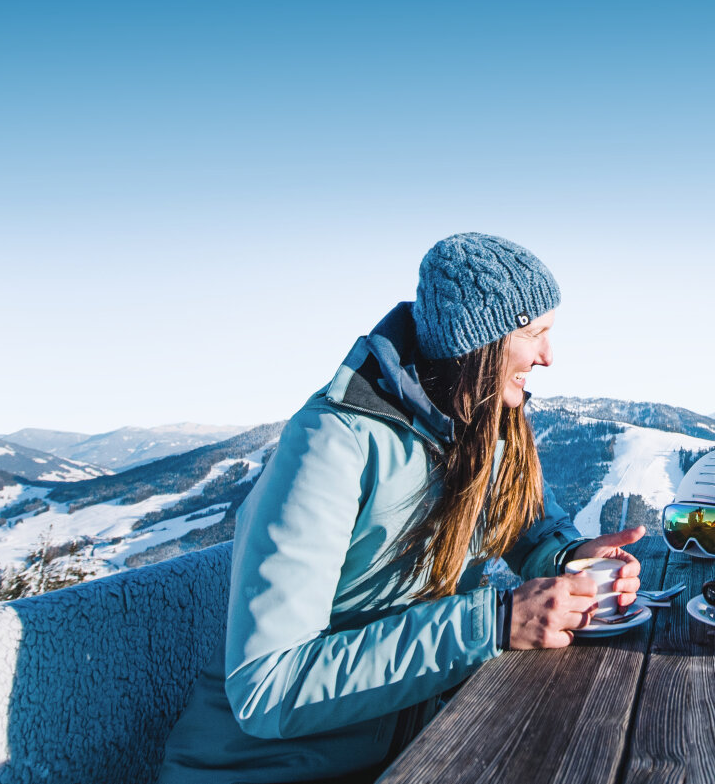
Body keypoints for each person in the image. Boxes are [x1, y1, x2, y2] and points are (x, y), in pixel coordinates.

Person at [159, 233, 644, 783]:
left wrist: (570, 560)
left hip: (411, 747)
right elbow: (269, 685)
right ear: (478, 344)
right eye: (534, 334)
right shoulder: (333, 442)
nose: (548, 356)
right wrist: (494, 623)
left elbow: (527, 527)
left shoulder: (481, 420)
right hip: (268, 768)